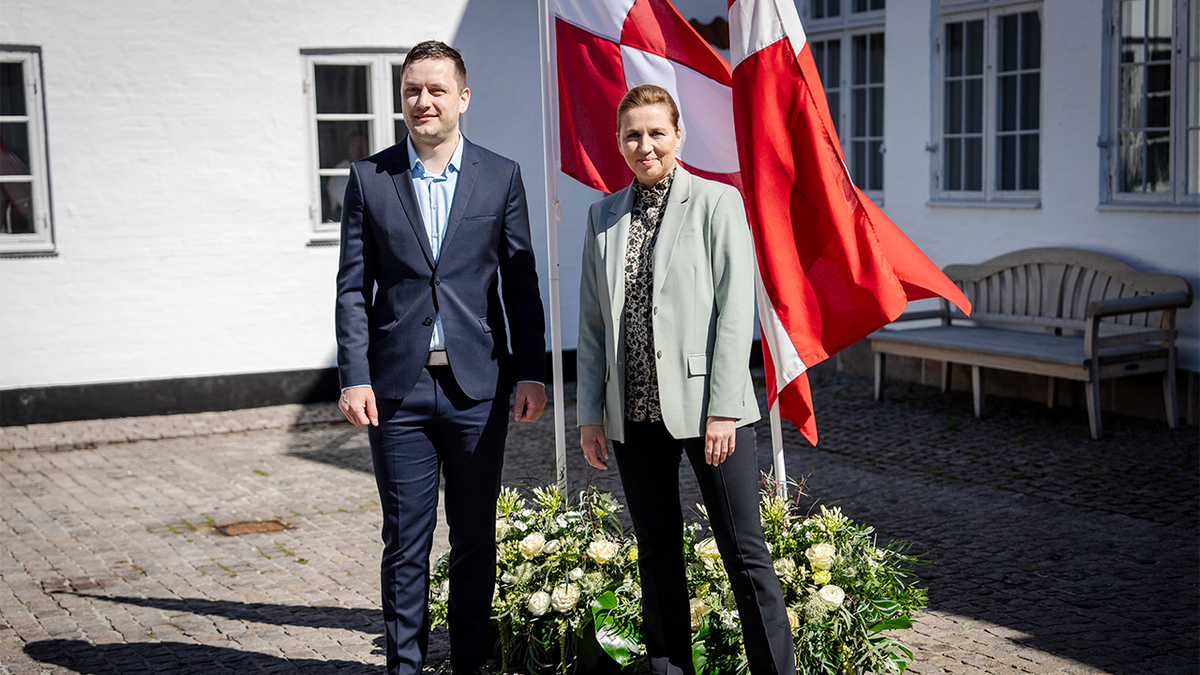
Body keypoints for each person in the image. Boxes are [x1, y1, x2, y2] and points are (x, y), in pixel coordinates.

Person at [335, 40, 547, 675]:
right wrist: (354, 376)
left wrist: (532, 369)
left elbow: (519, 283)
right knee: (405, 542)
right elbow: (352, 288)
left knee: (475, 539)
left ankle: (469, 664)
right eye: (411, 91)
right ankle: (404, 667)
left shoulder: (500, 175)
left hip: (476, 390)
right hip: (395, 392)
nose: (422, 102)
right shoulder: (370, 179)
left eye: (435, 90)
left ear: (463, 97)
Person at [576, 85, 795, 675]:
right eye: (632, 134)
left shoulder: (718, 203)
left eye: (655, 133)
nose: (644, 145)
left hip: (710, 413)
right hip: (634, 415)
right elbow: (593, 325)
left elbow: (733, 310)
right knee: (658, 554)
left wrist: (724, 407)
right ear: (620, 141)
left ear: (677, 136)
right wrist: (591, 414)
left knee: (745, 555)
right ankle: (670, 670)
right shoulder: (602, 216)